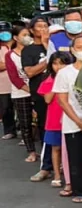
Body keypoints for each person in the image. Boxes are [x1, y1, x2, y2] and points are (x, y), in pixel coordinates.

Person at [54, 37, 82, 203]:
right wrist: (79, 122)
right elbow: (62, 101)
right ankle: (80, 191)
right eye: (80, 47)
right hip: (73, 123)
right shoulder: (65, 73)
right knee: (76, 159)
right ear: (72, 50)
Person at [23, 16, 54, 180]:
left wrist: (48, 46)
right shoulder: (28, 50)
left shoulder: (53, 45)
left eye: (45, 26)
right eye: (39, 26)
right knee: (45, 129)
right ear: (32, 30)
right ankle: (46, 166)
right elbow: (30, 72)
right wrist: (48, 60)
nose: (43, 29)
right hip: (40, 95)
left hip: (59, 94)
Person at [39, 52, 73, 191]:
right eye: (55, 63)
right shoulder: (48, 80)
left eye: (62, 63)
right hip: (53, 120)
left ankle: (70, 177)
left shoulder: (72, 77)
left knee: (70, 150)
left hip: (69, 118)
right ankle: (57, 176)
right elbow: (47, 99)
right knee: (56, 148)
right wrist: (57, 81)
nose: (58, 67)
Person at [8, 25, 36, 161]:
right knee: (26, 124)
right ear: (15, 38)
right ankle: (31, 151)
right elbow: (14, 78)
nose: (27, 37)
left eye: (28, 34)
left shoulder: (34, 51)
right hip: (21, 94)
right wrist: (29, 90)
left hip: (37, 92)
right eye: (24, 35)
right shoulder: (10, 55)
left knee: (41, 123)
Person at [0, 21, 16, 139]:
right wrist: (12, 63)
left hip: (19, 83)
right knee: (6, 108)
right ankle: (9, 130)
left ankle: (23, 129)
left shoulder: (17, 45)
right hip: (3, 84)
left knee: (22, 108)